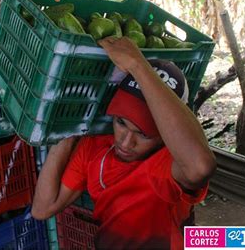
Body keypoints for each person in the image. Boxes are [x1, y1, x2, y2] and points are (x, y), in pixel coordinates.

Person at [31, 36, 217, 250]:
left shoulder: (168, 166)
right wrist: (70, 129)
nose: (126, 142)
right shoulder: (95, 147)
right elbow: (42, 209)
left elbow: (201, 166)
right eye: (121, 122)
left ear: (164, 135)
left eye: (144, 134)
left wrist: (138, 65)